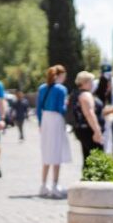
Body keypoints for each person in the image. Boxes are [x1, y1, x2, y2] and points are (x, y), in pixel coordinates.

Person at [37, 65, 72, 198]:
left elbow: (39, 107)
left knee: (46, 151)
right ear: (60, 75)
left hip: (45, 119)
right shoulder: (61, 89)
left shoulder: (42, 88)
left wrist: (40, 123)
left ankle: (43, 185)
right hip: (56, 120)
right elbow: (60, 108)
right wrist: (67, 105)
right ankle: (55, 185)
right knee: (56, 151)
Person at [72, 71, 104, 167]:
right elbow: (89, 113)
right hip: (89, 129)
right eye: (91, 81)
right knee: (97, 156)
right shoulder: (86, 95)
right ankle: (95, 179)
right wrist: (97, 131)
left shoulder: (75, 94)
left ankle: (87, 178)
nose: (93, 83)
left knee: (87, 157)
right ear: (86, 82)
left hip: (81, 129)